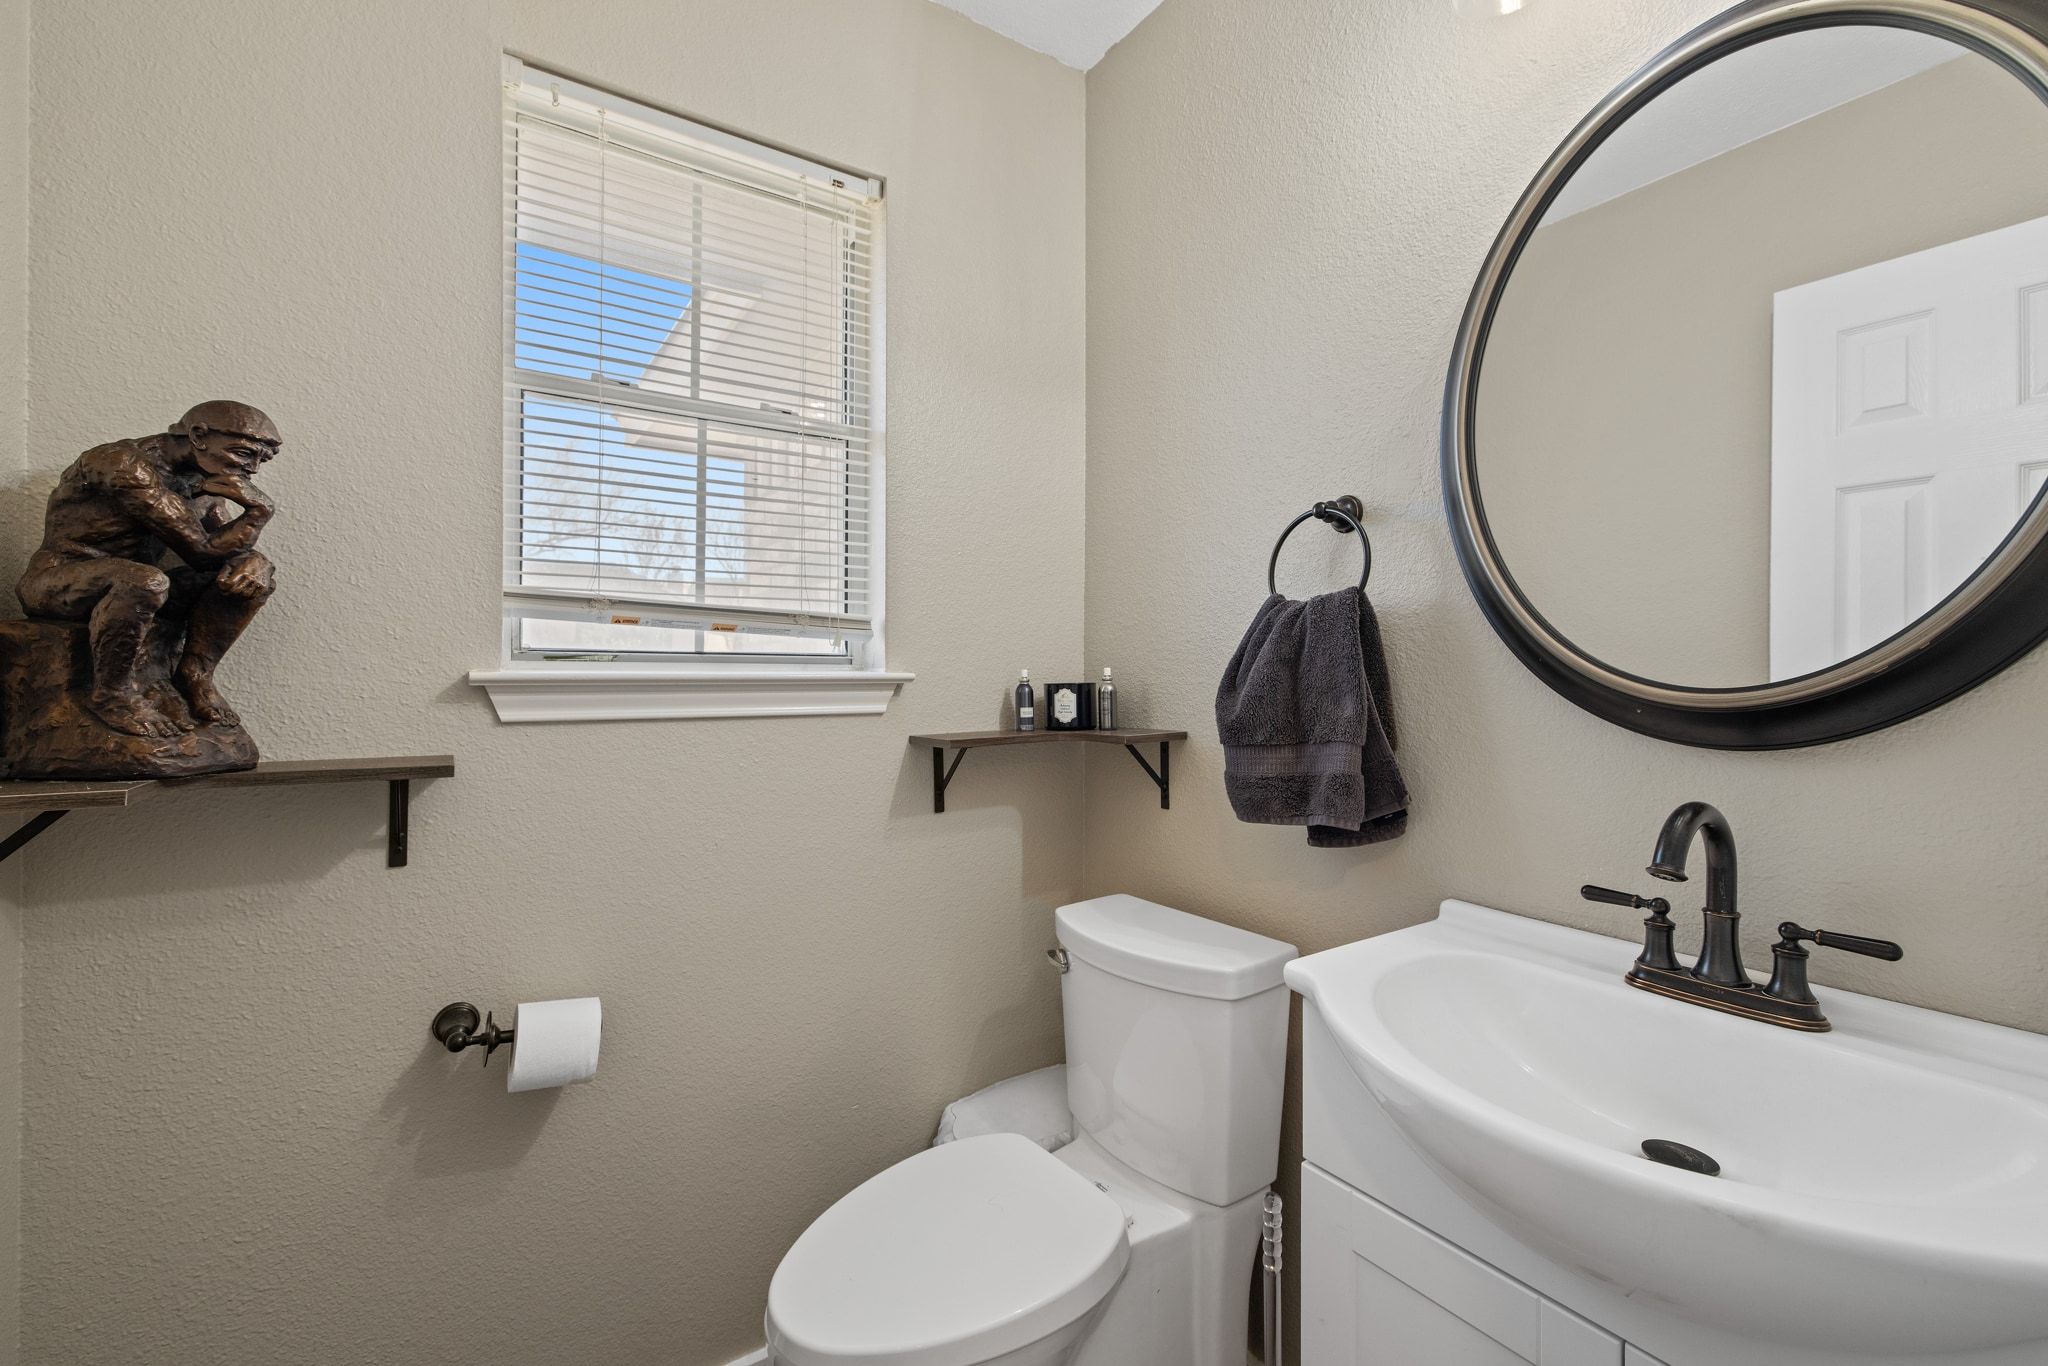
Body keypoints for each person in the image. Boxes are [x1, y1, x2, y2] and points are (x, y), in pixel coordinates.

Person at [16, 400, 280, 738]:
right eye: (244, 454)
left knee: (251, 577)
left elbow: (226, 549)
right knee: (146, 580)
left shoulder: (205, 476)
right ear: (198, 435)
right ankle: (112, 695)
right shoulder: (123, 464)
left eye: (262, 459)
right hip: (59, 578)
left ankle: (195, 674)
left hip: (137, 584)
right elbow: (201, 550)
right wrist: (259, 512)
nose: (254, 469)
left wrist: (257, 562)